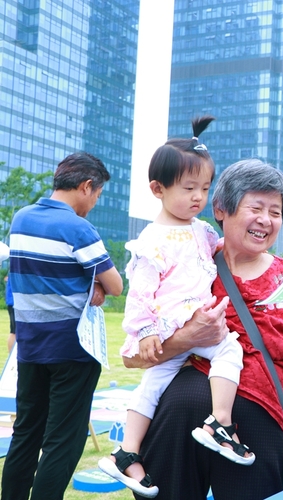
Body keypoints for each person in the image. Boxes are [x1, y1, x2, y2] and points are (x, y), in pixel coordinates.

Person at [122, 159, 283, 500]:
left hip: (259, 427)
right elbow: (134, 358)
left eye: (275, 211)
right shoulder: (188, 266)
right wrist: (190, 337)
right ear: (221, 210)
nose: (265, 220)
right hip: (176, 424)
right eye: (255, 207)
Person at [97, 117, 253, 498]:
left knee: (153, 385)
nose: (198, 197)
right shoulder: (152, 240)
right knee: (228, 350)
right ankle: (221, 422)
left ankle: (127, 453)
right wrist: (147, 331)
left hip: (191, 320)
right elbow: (139, 294)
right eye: (188, 188)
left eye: (204, 187)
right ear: (158, 188)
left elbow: (219, 255)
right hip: (172, 322)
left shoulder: (201, 230)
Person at [1, 152, 123, 500]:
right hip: (73, 349)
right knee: (63, 442)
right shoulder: (78, 227)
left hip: (30, 346)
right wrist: (94, 285)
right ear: (86, 186)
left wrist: (88, 283)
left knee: (26, 434)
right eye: (97, 195)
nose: (94, 203)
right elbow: (115, 286)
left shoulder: (21, 219)